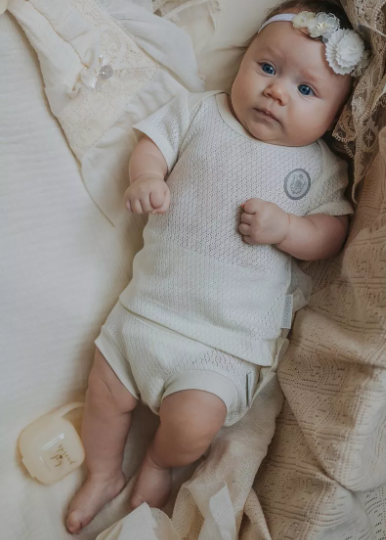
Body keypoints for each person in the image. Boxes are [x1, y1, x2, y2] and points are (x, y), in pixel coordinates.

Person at [66, 0, 369, 533]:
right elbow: (153, 144)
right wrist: (147, 178)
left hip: (223, 343)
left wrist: (289, 229)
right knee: (105, 391)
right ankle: (103, 473)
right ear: (244, 58)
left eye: (306, 90)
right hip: (146, 311)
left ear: (335, 115)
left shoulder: (317, 166)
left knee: (193, 425)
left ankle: (158, 462)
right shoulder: (200, 112)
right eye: (267, 67)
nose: (276, 92)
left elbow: (333, 232)